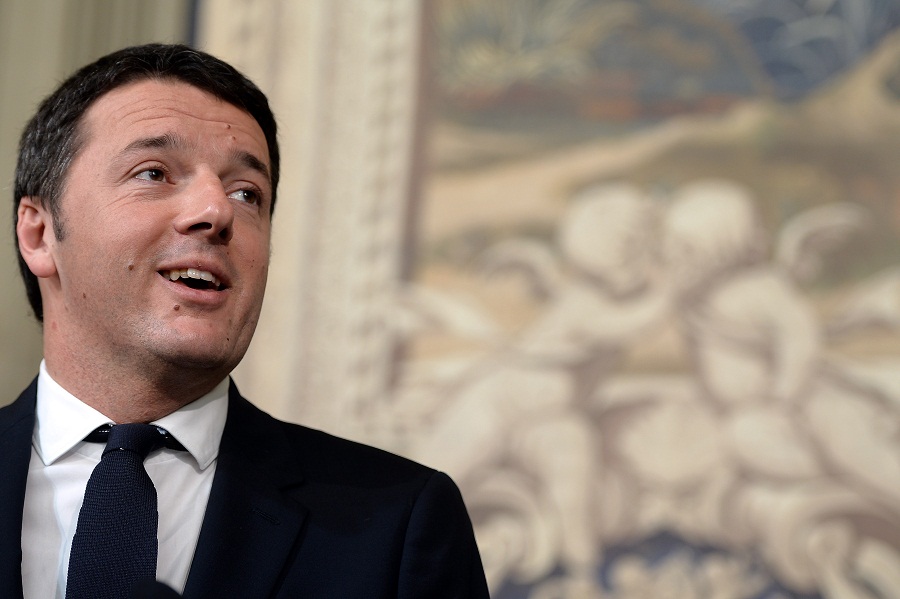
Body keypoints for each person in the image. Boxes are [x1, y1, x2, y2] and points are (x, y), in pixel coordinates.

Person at [0, 43, 489, 599]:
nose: (217, 211)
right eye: (154, 173)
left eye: (246, 193)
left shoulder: (396, 525)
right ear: (39, 234)